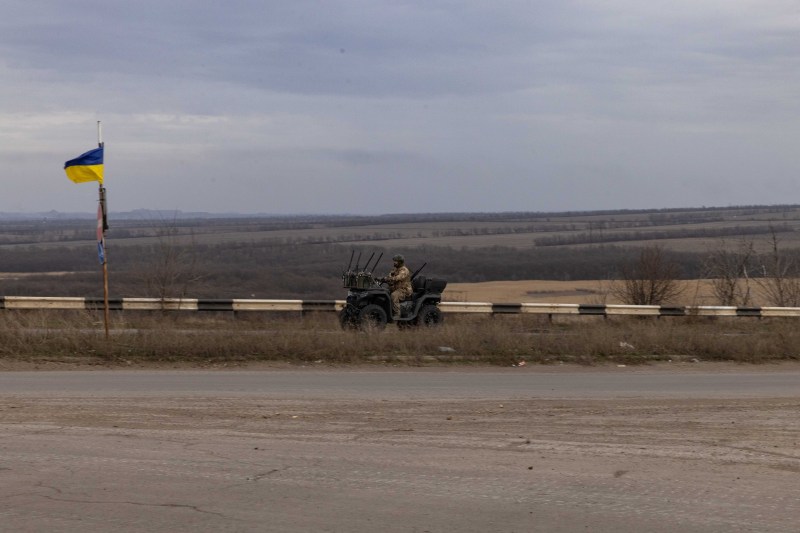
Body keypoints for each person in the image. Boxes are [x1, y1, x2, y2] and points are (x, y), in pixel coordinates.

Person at [383, 254, 412, 319]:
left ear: (400, 262)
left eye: (395, 261)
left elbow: (399, 277)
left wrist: (390, 279)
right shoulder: (395, 269)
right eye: (394, 261)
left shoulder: (404, 270)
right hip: (396, 288)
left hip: (404, 290)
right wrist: (384, 279)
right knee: (384, 292)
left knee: (394, 295)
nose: (394, 262)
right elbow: (390, 276)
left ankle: (397, 314)